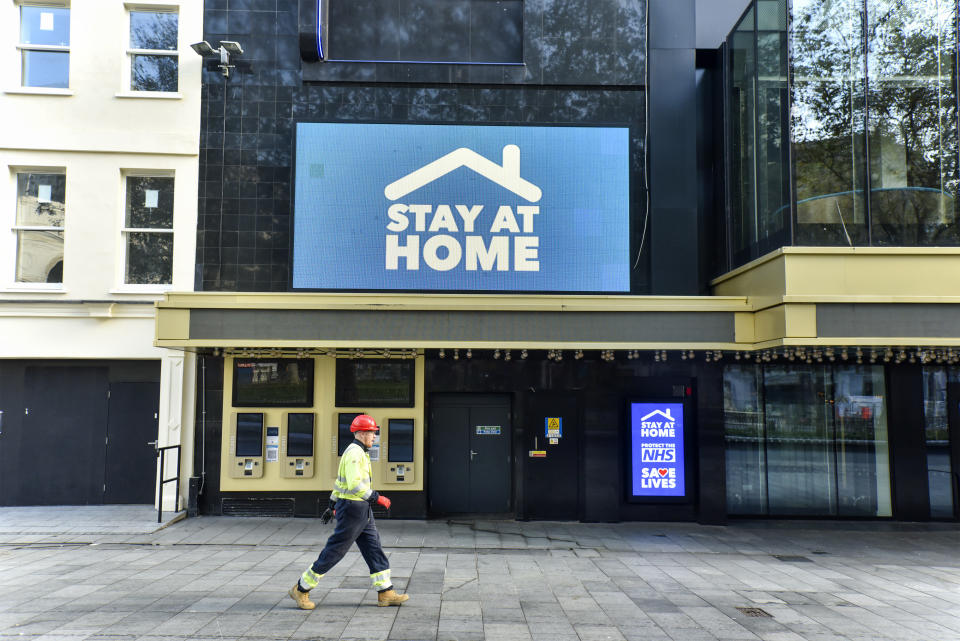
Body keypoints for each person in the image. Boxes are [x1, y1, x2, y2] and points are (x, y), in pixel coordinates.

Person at [288, 414, 409, 609]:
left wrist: (332, 505)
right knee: (336, 550)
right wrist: (377, 497)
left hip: (360, 509)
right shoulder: (355, 453)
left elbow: (340, 483)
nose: (374, 437)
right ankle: (301, 589)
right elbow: (353, 485)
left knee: (373, 548)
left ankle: (385, 592)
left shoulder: (359, 452)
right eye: (372, 433)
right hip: (353, 508)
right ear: (361, 433)